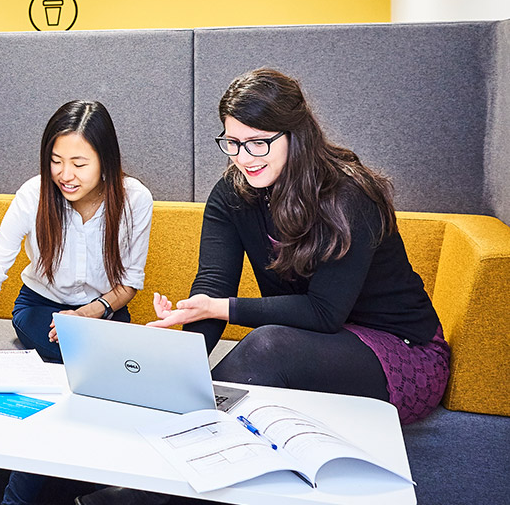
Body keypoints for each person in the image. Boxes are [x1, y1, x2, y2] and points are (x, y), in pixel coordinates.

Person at [75, 70, 451, 505]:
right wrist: (182, 360)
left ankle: (156, 493)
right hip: (316, 343)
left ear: (296, 135)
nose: (244, 156)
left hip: (401, 349)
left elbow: (323, 312)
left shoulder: (349, 194)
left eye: (258, 142)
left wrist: (220, 310)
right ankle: (154, 469)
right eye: (232, 142)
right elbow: (213, 285)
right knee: (247, 363)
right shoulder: (232, 194)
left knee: (267, 346)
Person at [0, 100, 153, 505]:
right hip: (39, 308)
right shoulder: (33, 195)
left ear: (105, 160)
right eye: (56, 161)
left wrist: (90, 312)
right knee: (69, 353)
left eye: (79, 162)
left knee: (108, 368)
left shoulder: (134, 199)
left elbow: (128, 284)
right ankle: (22, 497)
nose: (65, 174)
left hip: (105, 312)